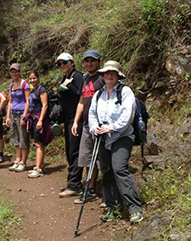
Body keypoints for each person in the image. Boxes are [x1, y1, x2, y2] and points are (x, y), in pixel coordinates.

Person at [88, 60, 143, 224]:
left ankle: (134, 208)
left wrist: (111, 128)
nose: (109, 75)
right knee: (106, 170)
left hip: (122, 136)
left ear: (118, 75)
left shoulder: (126, 92)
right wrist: (94, 128)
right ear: (103, 75)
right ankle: (113, 208)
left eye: (112, 73)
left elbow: (127, 116)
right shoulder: (99, 94)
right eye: (106, 73)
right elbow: (91, 114)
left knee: (119, 168)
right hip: (103, 137)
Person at [69, 50, 105, 205]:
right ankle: (90, 189)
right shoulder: (84, 79)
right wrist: (76, 121)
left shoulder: (103, 79)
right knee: (86, 159)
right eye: (87, 61)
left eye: (93, 61)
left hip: (101, 125)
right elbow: (81, 102)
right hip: (86, 125)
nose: (90, 64)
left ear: (98, 62)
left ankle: (106, 192)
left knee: (103, 159)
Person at [55, 53, 85, 197]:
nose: (62, 66)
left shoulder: (77, 76)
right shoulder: (66, 77)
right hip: (68, 119)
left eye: (64, 62)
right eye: (59, 64)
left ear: (72, 62)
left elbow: (81, 95)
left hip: (76, 119)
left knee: (75, 151)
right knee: (69, 151)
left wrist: (69, 87)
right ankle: (72, 181)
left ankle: (75, 185)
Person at [23, 71, 53, 178]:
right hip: (33, 118)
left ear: (38, 78)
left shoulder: (41, 89)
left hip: (39, 118)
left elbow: (45, 105)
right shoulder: (32, 90)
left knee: (38, 143)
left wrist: (40, 120)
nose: (32, 80)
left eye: (34, 78)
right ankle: (39, 165)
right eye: (30, 79)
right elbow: (30, 105)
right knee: (37, 143)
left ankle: (39, 169)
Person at [6, 63, 30, 172]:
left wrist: (25, 116)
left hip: (21, 113)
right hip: (13, 113)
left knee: (23, 137)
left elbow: (28, 101)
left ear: (19, 72)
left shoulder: (24, 84)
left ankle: (23, 162)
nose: (14, 73)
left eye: (15, 71)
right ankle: (17, 159)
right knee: (15, 137)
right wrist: (7, 116)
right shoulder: (11, 85)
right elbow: (10, 101)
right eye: (12, 72)